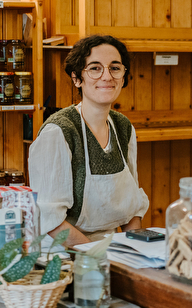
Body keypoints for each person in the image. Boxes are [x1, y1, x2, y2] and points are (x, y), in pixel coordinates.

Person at [29, 34, 149, 245]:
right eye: (94, 68)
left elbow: (132, 208)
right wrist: (97, 258)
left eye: (115, 68)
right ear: (76, 78)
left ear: (123, 76)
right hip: (65, 252)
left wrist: (134, 249)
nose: (106, 76)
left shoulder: (123, 127)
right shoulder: (58, 132)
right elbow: (51, 221)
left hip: (115, 249)